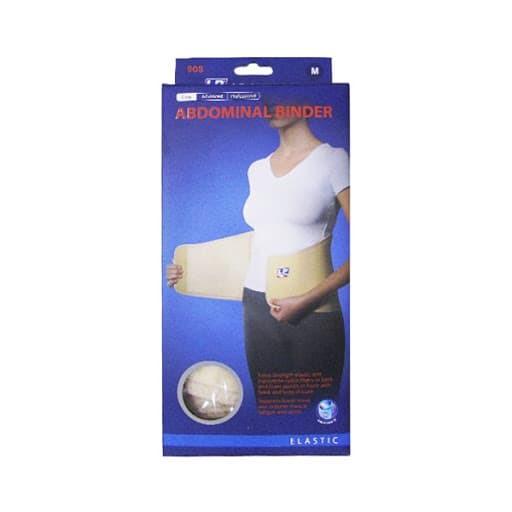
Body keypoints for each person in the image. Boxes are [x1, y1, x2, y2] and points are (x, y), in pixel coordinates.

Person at [167, 106, 350, 410]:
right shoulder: (257, 169)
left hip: (312, 310)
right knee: (271, 411)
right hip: (254, 307)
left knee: (314, 415)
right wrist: (188, 270)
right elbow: (264, 239)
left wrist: (306, 301)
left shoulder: (334, 160)